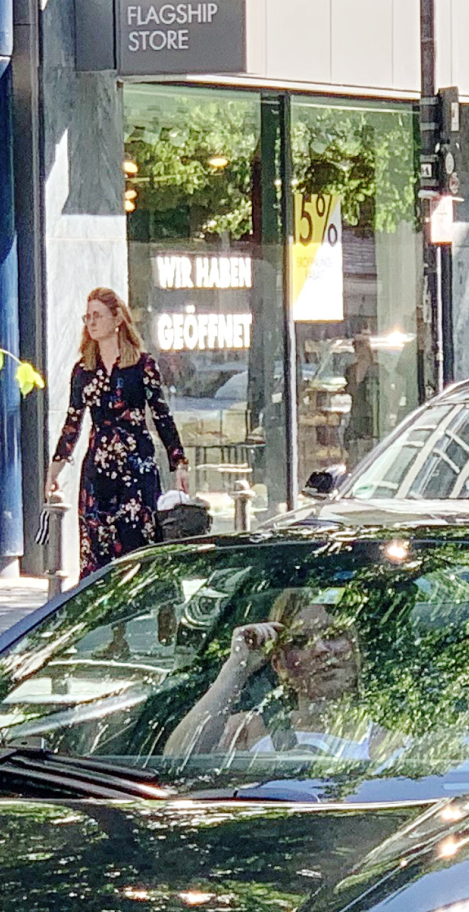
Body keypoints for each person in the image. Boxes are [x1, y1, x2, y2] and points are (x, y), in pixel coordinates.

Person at [47, 288, 188, 577]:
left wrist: (179, 463)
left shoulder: (142, 365)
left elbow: (162, 416)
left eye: (97, 315)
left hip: (136, 467)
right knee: (97, 552)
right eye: (87, 317)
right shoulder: (83, 371)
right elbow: (73, 422)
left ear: (117, 318)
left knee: (139, 549)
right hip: (98, 471)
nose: (91, 322)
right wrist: (55, 468)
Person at [173, 590, 392, 759]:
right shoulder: (249, 729)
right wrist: (236, 667)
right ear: (278, 665)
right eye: (300, 642)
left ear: (355, 651)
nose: (321, 649)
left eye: (333, 635)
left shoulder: (388, 744)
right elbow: (177, 759)